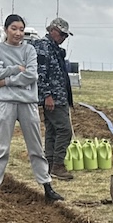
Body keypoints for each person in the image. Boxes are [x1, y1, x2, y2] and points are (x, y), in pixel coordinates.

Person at [0, 15, 62, 203]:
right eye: (14, 28)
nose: (18, 33)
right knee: (1, 147)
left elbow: (32, 75)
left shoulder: (29, 50)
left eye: (21, 29)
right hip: (5, 103)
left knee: (36, 147)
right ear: (6, 30)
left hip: (27, 103)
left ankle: (47, 186)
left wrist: (6, 81)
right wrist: (17, 68)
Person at [35, 17, 74, 182]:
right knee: (65, 130)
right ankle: (58, 165)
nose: (64, 38)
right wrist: (47, 96)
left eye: (66, 35)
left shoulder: (55, 48)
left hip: (59, 96)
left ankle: (50, 164)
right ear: (52, 31)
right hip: (53, 97)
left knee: (52, 130)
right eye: (62, 34)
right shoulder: (43, 46)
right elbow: (40, 73)